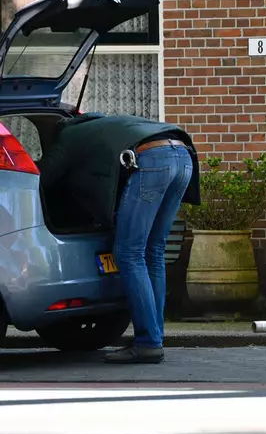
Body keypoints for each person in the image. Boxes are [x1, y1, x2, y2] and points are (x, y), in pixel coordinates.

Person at [36, 113, 201, 364]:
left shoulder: (67, 136)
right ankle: (155, 337)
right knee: (152, 250)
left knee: (128, 252)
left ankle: (148, 343)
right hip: (183, 156)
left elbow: (42, 177)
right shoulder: (105, 125)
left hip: (153, 160)